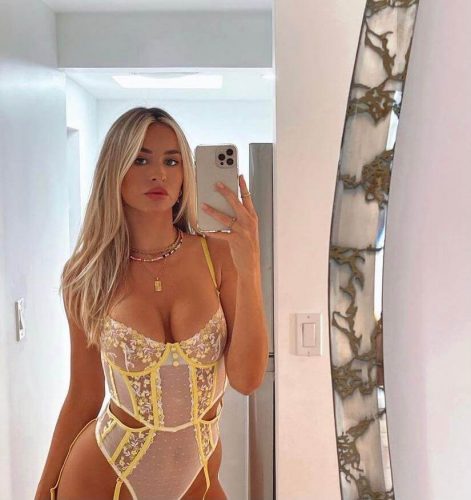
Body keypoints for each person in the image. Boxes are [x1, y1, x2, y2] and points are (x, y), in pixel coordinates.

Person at [34, 107, 269, 499]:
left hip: (198, 481)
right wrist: (43, 492)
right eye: (141, 159)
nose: (158, 173)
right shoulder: (87, 275)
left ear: (185, 174)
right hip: (104, 478)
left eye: (171, 161)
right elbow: (83, 397)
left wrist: (251, 269)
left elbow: (247, 379)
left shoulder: (218, 257)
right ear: (115, 169)